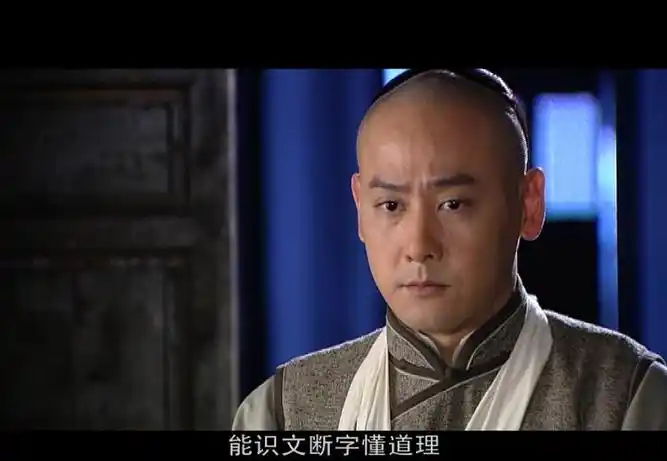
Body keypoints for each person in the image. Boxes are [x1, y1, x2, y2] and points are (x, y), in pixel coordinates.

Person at [232, 69, 667, 431]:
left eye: (453, 204)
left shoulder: (624, 398)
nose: (419, 246)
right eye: (391, 205)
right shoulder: (285, 412)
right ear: (360, 209)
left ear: (529, 204)